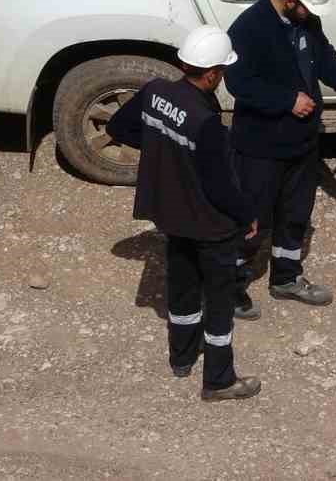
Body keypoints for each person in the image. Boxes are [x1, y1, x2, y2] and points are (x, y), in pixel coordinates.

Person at [107, 25, 261, 401]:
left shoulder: (155, 92)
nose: (221, 78)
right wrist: (248, 216)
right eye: (221, 73)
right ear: (211, 73)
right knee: (219, 303)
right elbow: (220, 186)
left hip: (172, 216)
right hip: (210, 226)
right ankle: (219, 380)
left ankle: (182, 357)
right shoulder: (205, 121)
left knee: (183, 287)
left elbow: (117, 126)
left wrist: (163, 148)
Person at [225, 0, 336, 319]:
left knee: (295, 213)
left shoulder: (306, 19)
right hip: (261, 145)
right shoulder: (249, 28)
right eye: (306, 8)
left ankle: (286, 278)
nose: (310, 15)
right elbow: (237, 83)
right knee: (252, 218)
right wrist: (286, 100)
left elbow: (323, 55)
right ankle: (231, 286)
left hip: (301, 141)